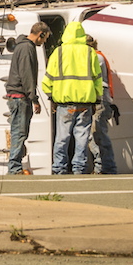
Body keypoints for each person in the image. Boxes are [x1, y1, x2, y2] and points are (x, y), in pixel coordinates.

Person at [42, 21, 106, 175]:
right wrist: (97, 99)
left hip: (64, 103)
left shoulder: (58, 52)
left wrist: (52, 97)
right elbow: (97, 79)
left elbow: (47, 80)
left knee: (62, 138)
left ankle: (59, 168)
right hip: (85, 103)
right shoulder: (90, 52)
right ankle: (79, 168)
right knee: (82, 138)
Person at [4, 22, 50, 175]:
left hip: (18, 96)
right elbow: (27, 75)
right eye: (45, 39)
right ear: (40, 34)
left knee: (20, 131)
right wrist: (34, 98)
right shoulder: (26, 48)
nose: (44, 42)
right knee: (19, 132)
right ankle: (14, 167)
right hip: (20, 97)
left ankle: (15, 166)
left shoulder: (22, 46)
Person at [84, 35, 117, 175]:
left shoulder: (95, 57)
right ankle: (102, 166)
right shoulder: (99, 56)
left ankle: (104, 167)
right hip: (103, 97)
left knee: (97, 134)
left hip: (99, 97)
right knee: (96, 133)